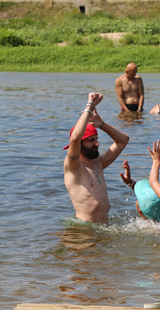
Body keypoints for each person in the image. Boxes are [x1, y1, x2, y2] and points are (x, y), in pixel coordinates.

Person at [63, 92, 130, 223]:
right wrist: (90, 105)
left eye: (97, 139)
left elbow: (123, 140)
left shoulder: (98, 164)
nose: (97, 144)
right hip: (84, 233)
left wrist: (102, 124)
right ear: (79, 144)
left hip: (102, 230)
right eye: (91, 140)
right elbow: (75, 139)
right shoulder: (73, 167)